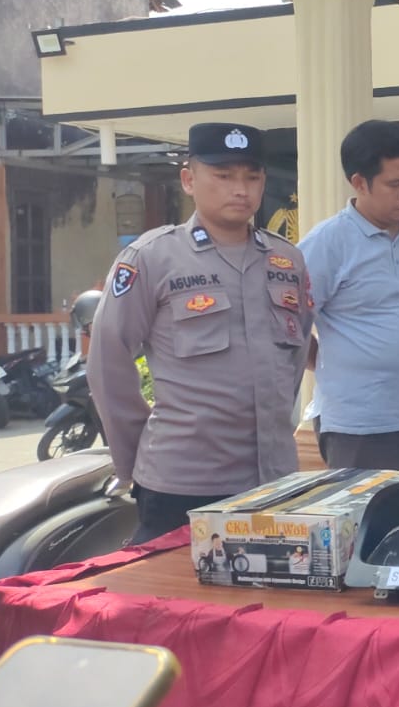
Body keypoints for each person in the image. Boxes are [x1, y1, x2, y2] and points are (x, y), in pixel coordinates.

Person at [90, 123, 316, 545]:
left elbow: (296, 353)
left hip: (274, 481)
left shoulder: (287, 260)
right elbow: (108, 363)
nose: (240, 189)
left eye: (252, 176)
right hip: (182, 483)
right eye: (224, 175)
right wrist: (136, 457)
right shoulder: (152, 257)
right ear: (189, 180)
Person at [297, 121, 399, 475]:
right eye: (394, 184)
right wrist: (331, 363)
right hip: (360, 425)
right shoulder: (327, 243)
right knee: (375, 512)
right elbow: (288, 324)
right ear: (359, 182)